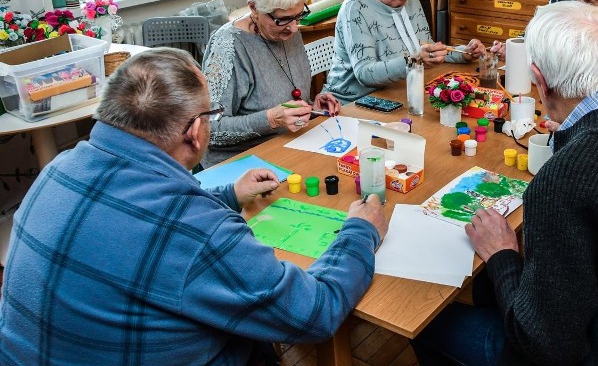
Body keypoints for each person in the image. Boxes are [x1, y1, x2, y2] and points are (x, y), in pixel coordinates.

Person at [0, 48, 388, 365]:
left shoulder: (57, 169)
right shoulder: (196, 229)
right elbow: (314, 313)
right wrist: (361, 230)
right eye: (211, 116)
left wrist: (227, 195)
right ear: (195, 131)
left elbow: (135, 221)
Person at [412, 1, 598, 365]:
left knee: (421, 321)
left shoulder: (566, 179)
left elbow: (544, 347)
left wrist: (503, 254)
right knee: (486, 286)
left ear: (538, 80)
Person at [202, 0, 341, 167]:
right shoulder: (228, 47)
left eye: (299, 15)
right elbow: (208, 131)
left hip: (289, 148)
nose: (294, 28)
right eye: (284, 20)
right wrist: (270, 119)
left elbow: (284, 94)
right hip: (241, 166)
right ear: (254, 8)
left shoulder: (285, 28)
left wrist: (312, 106)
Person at [324, 0, 486, 104]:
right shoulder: (355, 9)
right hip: (353, 104)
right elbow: (365, 74)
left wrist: (464, 53)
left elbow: (426, 48)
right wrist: (414, 61)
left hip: (399, 93)